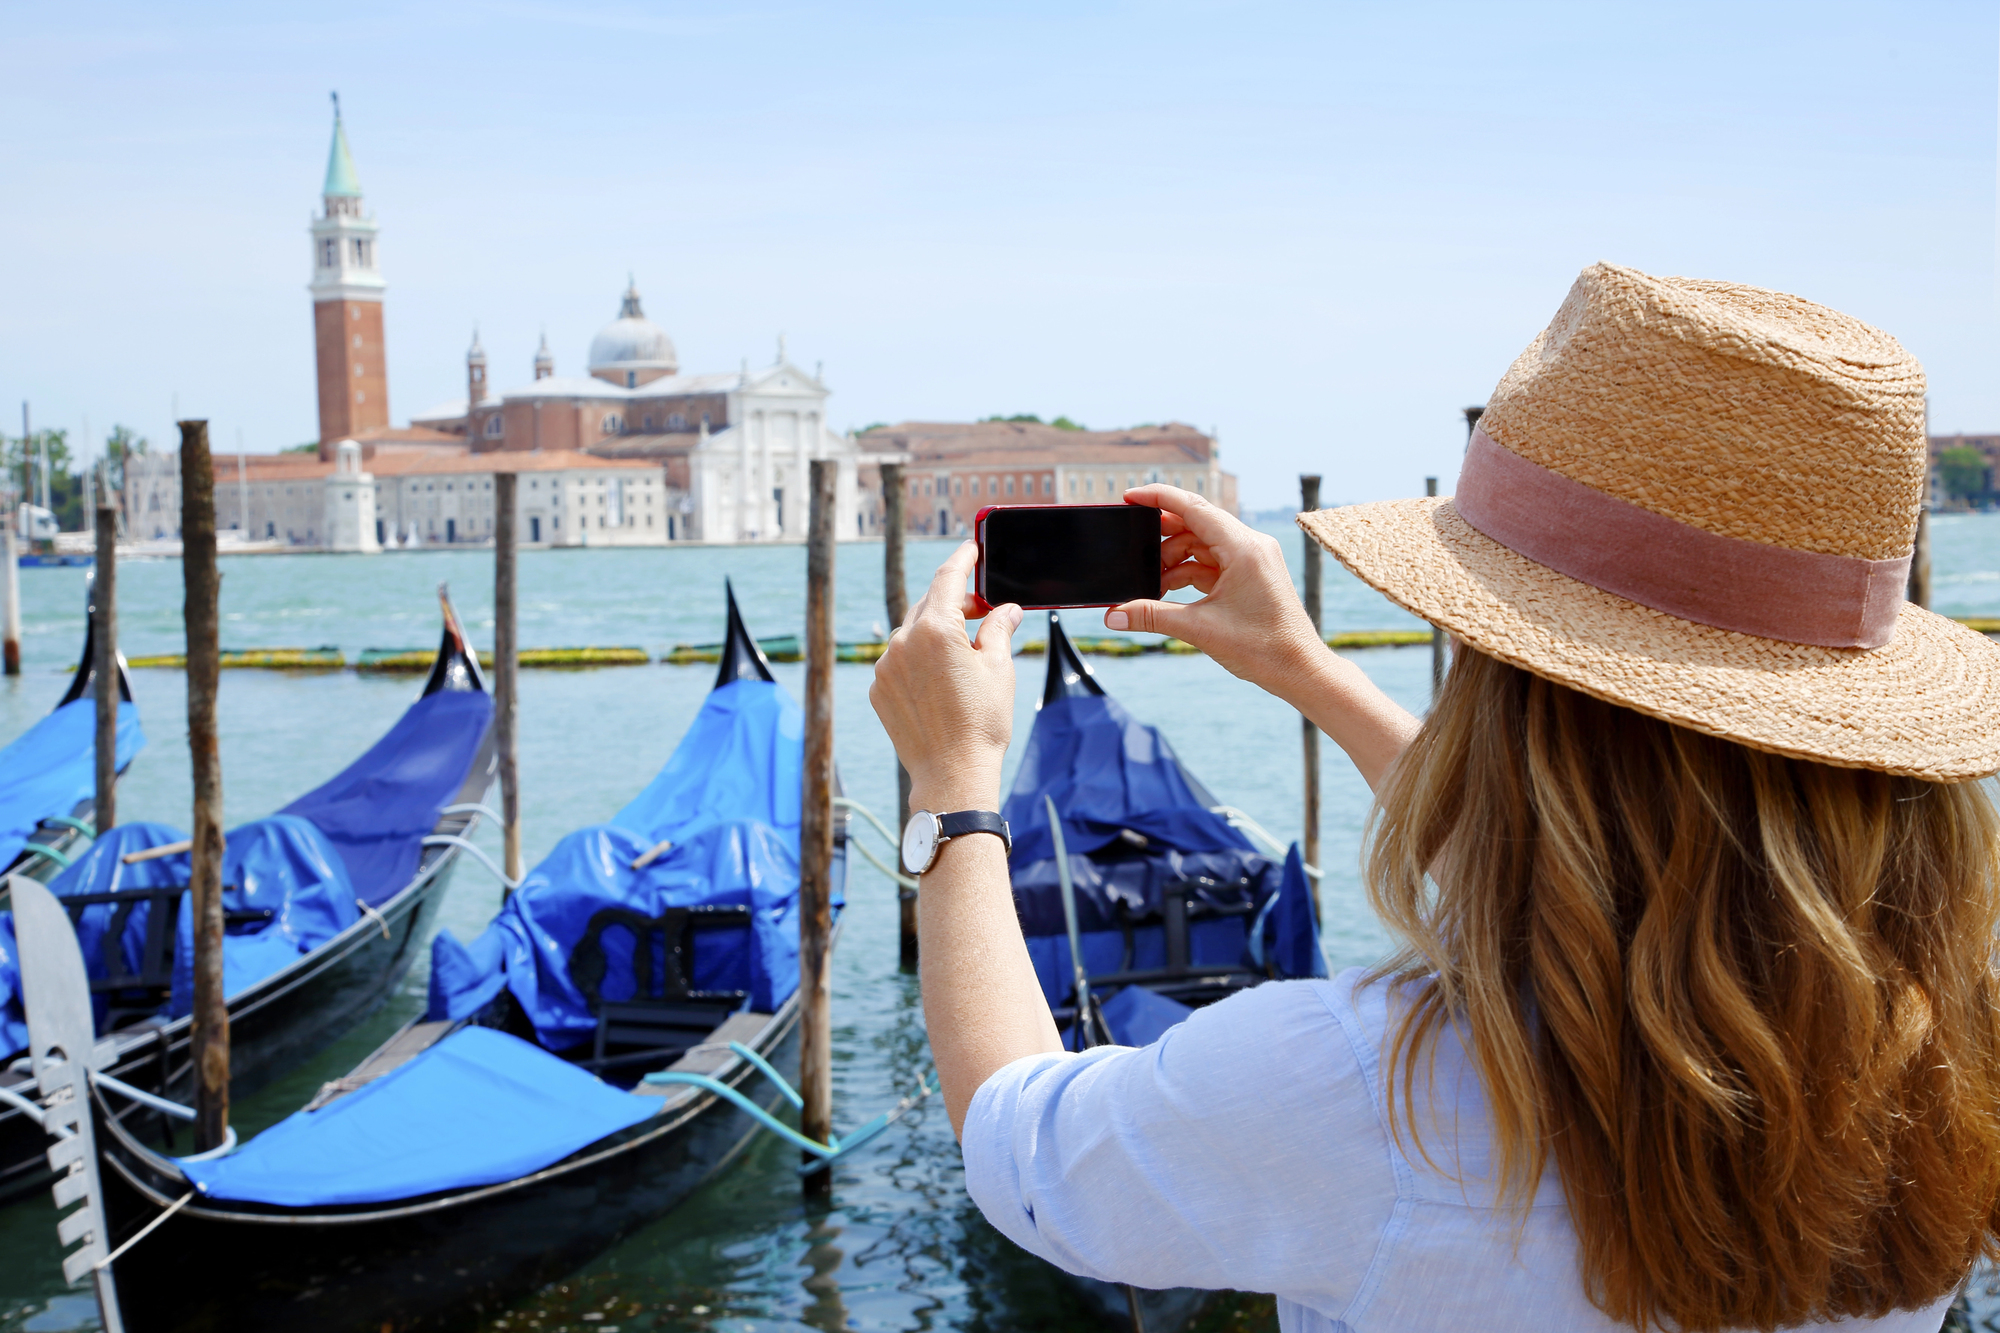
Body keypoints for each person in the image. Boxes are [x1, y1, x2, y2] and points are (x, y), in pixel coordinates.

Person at [869, 263, 2000, 1332]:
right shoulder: (1941, 1067)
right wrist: (1303, 668)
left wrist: (952, 791)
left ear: (1508, 684)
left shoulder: (1366, 1091)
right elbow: (1601, 863)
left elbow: (1028, 1159)